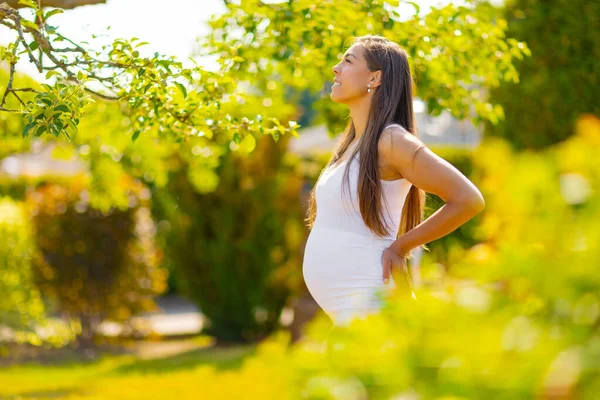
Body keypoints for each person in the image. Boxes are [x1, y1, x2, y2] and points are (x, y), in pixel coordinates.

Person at [302, 35, 486, 327]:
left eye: (348, 61)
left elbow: (468, 199)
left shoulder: (391, 140)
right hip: (349, 307)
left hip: (369, 301)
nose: (336, 68)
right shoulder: (352, 144)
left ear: (374, 78)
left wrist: (400, 247)